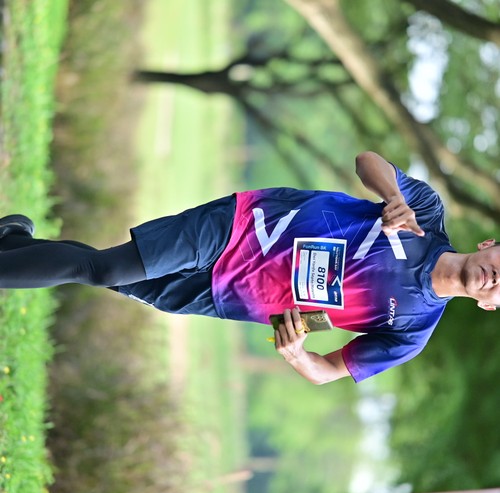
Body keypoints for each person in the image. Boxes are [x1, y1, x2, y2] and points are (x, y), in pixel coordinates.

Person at [1, 152, 498, 383]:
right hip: (245, 227)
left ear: (491, 305)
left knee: (111, 273)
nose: (497, 277)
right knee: (107, 271)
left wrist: (297, 354)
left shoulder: (412, 331)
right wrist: (392, 197)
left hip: (231, 297)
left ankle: (14, 241)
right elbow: (368, 161)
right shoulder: (425, 215)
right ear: (490, 243)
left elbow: (328, 371)